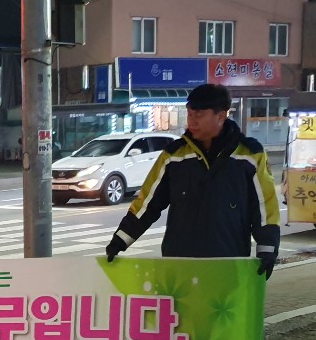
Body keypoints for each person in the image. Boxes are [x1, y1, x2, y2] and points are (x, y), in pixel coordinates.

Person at [105, 84, 280, 279]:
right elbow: (147, 204)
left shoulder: (250, 155)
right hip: (180, 264)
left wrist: (267, 249)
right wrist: (120, 240)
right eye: (189, 114)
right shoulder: (174, 156)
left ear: (221, 116)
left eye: (199, 115)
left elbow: (265, 207)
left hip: (228, 264)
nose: (192, 121)